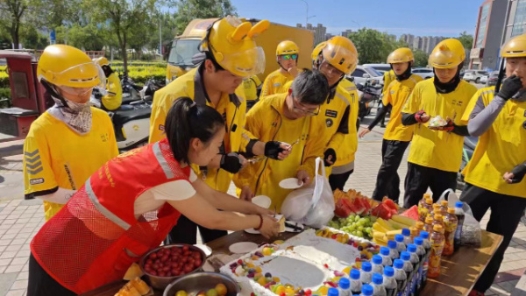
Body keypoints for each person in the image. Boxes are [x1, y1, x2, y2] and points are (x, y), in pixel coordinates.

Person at [27, 98, 279, 296]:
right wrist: (258, 223)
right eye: (217, 145)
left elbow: (212, 196)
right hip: (64, 257)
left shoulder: (168, 153)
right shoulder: (166, 174)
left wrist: (255, 210)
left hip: (73, 244)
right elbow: (214, 219)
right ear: (196, 144)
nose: (219, 152)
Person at [149, 16, 291, 245]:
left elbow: (235, 133)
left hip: (218, 193)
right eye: (234, 74)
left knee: (222, 250)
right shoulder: (172, 97)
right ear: (209, 66)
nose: (240, 81)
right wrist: (219, 161)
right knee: (182, 256)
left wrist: (262, 148)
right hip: (180, 197)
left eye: (244, 74)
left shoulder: (236, 94)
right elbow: (163, 159)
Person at [460, 34, 526, 296]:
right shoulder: (486, 95)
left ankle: (479, 290)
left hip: (515, 189)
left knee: (497, 243)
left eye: (524, 64)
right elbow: (474, 128)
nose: (517, 71)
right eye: (511, 63)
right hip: (479, 178)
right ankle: (453, 281)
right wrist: (502, 98)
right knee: (459, 234)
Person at [23, 44, 119, 221]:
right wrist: (87, 199)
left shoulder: (102, 118)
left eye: (88, 87)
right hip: (66, 220)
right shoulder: (41, 130)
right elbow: (44, 190)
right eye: (74, 89)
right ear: (51, 86)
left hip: (106, 215)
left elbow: (112, 169)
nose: (83, 95)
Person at [235, 69, 329, 211]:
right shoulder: (263, 110)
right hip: (258, 193)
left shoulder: (316, 118)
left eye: (310, 110)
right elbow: (241, 150)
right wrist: (245, 184)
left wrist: (306, 170)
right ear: (290, 92)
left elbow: (315, 153)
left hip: (294, 196)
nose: (302, 113)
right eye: (299, 107)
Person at [400, 39, 477, 207]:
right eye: (440, 68)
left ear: (460, 65)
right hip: (420, 159)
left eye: (450, 68)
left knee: (442, 210)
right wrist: (417, 117)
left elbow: (473, 129)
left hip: (447, 162)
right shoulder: (422, 87)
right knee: (410, 206)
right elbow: (404, 118)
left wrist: (453, 128)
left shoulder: (471, 92)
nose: (444, 73)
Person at [359, 48, 423, 202]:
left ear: (410, 63)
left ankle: (375, 200)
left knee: (386, 169)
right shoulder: (393, 84)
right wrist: (370, 126)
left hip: (405, 131)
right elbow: (385, 107)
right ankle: (393, 199)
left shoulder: (418, 82)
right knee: (390, 169)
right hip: (390, 131)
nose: (397, 66)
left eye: (401, 63)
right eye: (394, 64)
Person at [310, 37, 359, 191]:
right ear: (319, 61)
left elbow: (343, 130)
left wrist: (332, 149)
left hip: (327, 164)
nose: (330, 73)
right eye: (327, 66)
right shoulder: (296, 88)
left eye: (337, 71)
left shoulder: (344, 99)